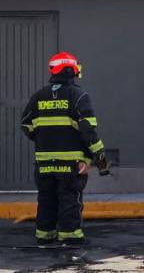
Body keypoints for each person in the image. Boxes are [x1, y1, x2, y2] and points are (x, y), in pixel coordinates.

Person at [19, 52, 109, 245]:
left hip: (44, 163)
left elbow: (26, 125)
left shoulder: (38, 97)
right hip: (71, 164)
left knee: (46, 199)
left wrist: (43, 139)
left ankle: (45, 234)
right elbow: (88, 132)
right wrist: (99, 161)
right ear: (72, 70)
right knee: (69, 199)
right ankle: (70, 236)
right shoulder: (79, 96)